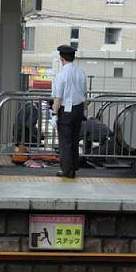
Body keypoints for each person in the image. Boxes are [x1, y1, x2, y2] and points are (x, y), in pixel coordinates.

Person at [51, 45, 87, 178]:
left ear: (61, 58)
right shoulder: (81, 72)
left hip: (66, 111)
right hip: (78, 109)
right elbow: (84, 94)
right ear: (73, 57)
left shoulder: (61, 75)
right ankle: (73, 168)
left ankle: (66, 170)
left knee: (65, 142)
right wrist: (84, 112)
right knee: (74, 140)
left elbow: (58, 97)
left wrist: (54, 115)